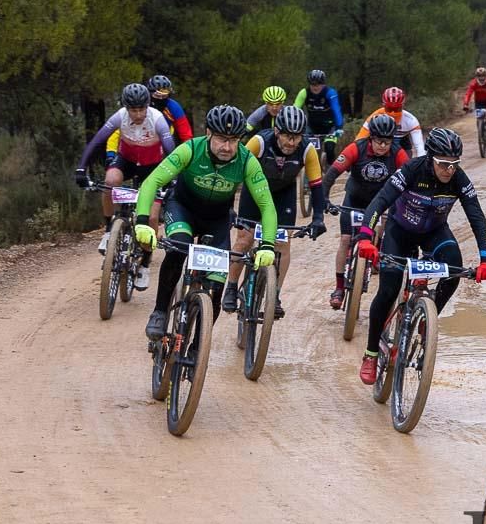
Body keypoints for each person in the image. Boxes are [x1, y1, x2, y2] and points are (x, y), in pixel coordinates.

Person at [351, 127, 486, 383]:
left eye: (454, 164)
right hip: (399, 233)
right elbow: (380, 201)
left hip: (434, 233)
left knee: (454, 269)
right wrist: (364, 237)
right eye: (443, 164)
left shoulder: (459, 179)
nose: (449, 170)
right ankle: (371, 353)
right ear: (431, 158)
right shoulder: (412, 170)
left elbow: (477, 217)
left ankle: (429, 317)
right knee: (388, 289)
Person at [133, 105, 279, 341]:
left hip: (217, 220)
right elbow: (151, 182)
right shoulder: (190, 149)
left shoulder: (246, 161)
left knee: (216, 287)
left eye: (234, 140)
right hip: (182, 209)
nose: (228, 147)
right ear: (209, 133)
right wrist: (141, 222)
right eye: (221, 139)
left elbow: (267, 206)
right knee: (178, 247)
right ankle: (159, 311)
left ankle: (198, 346)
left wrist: (268, 245)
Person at [221, 105, 327, 318]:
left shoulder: (307, 150)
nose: (292, 142)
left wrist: (318, 218)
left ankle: (274, 294)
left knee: (283, 245)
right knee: (244, 239)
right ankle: (231, 287)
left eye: (297, 137)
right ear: (277, 131)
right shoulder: (259, 142)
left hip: (283, 194)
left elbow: (316, 185)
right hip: (255, 191)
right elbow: (234, 173)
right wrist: (229, 207)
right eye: (288, 136)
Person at [75, 83, 175, 290]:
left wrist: (173, 178)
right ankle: (109, 230)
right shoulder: (119, 116)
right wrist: (81, 169)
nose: (138, 114)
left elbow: (170, 149)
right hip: (127, 161)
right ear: (126, 107)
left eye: (141, 109)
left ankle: (145, 264)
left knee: (153, 217)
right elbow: (96, 142)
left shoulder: (157, 119)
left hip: (152, 167)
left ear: (148, 106)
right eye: (133, 109)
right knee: (110, 182)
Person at [322, 113, 410, 309]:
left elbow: (410, 178)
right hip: (354, 199)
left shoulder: (398, 152)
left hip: (380, 202)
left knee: (383, 225)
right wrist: (324, 199)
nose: (383, 146)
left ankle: (375, 252)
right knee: (345, 240)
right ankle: (339, 287)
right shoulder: (356, 148)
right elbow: (332, 174)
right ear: (371, 138)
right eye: (379, 141)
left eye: (387, 142)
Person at [104, 74, 192, 161]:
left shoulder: (173, 107)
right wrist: (111, 153)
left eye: (164, 96)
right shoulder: (139, 105)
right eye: (157, 96)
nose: (161, 98)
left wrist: (189, 152)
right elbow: (117, 131)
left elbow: (185, 133)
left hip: (163, 141)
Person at [354, 86, 425, 157]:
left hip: (402, 145)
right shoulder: (374, 117)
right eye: (389, 109)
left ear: (403, 106)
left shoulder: (411, 120)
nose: (393, 113)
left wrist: (422, 164)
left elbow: (419, 147)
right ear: (383, 105)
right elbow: (359, 140)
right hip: (381, 145)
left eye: (397, 109)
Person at [293, 68, 344, 166]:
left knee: (329, 148)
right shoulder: (304, 93)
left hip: (330, 127)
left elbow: (336, 110)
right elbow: (295, 110)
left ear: (323, 84)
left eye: (318, 84)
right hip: (312, 127)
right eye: (312, 84)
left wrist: (339, 127)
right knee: (305, 148)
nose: (315, 87)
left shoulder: (330, 93)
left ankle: (331, 171)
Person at [461, 67, 486, 139]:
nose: (481, 78)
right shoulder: (473, 84)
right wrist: (465, 104)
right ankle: (480, 131)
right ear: (477, 76)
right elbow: (468, 94)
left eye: (483, 76)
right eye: (479, 76)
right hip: (479, 101)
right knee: (479, 117)